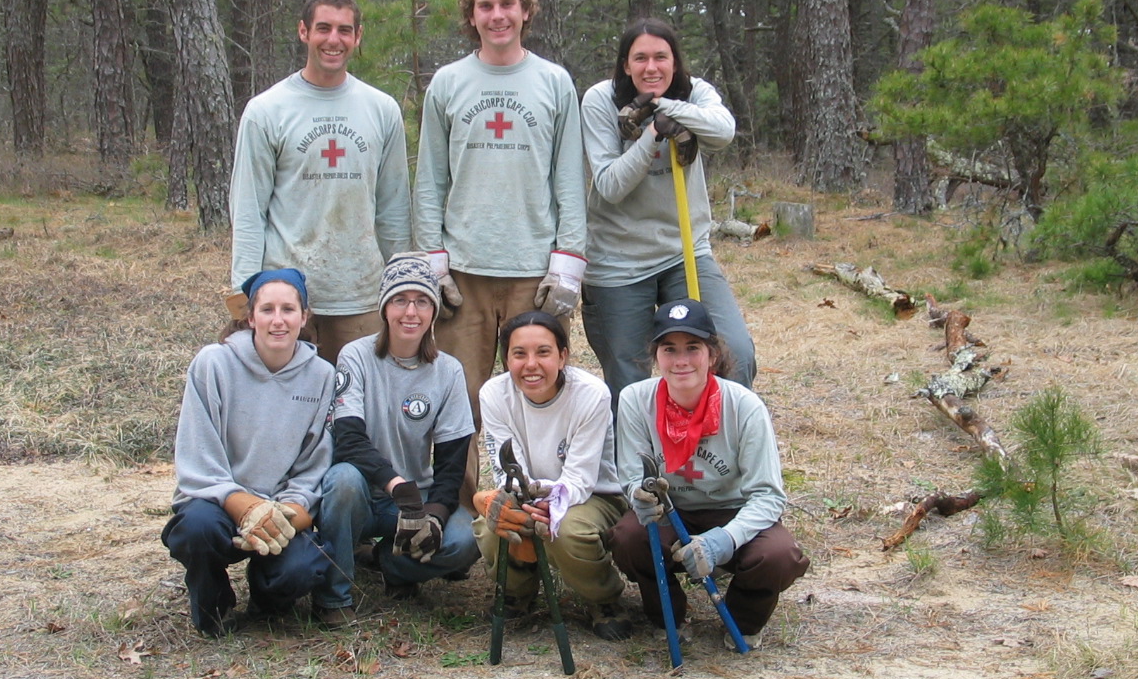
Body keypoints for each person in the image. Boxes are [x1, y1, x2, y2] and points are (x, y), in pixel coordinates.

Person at [414, 0, 587, 429]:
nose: (497, 15)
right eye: (485, 5)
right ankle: (462, 500)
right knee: (460, 399)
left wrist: (568, 262)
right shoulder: (448, 84)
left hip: (533, 273)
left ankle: (539, 499)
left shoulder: (554, 83)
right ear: (471, 16)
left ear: (525, 10)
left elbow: (569, 179)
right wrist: (432, 259)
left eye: (507, 3)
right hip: (464, 275)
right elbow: (430, 179)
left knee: (538, 395)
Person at [229, 0, 411, 364]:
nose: (334, 40)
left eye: (345, 30)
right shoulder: (267, 111)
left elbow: (393, 211)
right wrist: (245, 295)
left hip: (360, 293)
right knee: (291, 407)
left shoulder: (382, 110)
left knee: (358, 407)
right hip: (287, 295)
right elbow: (249, 211)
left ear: (358, 37)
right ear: (303, 31)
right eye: (323, 28)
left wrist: (401, 286)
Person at [611, 299, 808, 648]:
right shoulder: (634, 400)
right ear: (655, 356)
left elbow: (768, 495)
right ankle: (668, 616)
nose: (681, 360)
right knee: (628, 537)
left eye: (693, 348)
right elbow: (631, 474)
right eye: (669, 349)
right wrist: (638, 496)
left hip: (731, 508)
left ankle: (742, 620)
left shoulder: (744, 407)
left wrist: (725, 540)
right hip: (670, 509)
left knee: (778, 554)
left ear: (712, 355)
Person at [581, 18, 755, 406]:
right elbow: (610, 185)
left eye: (661, 56)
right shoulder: (600, 100)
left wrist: (667, 107)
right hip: (618, 261)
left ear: (675, 61)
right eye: (640, 58)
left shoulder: (693, 93)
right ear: (625, 65)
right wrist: (653, 134)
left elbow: (724, 131)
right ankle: (640, 461)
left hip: (685, 252)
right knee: (629, 383)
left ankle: (722, 450)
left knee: (735, 355)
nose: (651, 67)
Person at [161, 269, 336, 637]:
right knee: (196, 529)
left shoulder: (321, 375)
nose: (278, 320)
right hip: (217, 505)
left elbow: (313, 464)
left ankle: (266, 599)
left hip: (277, 508)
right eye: (267, 309)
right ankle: (214, 603)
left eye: (288, 309)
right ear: (249, 317)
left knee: (304, 567)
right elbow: (197, 458)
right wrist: (243, 505)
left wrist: (284, 514)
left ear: (304, 317)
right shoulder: (214, 363)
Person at [314, 254, 480, 625]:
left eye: (422, 301)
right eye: (400, 300)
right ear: (384, 307)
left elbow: (452, 459)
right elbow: (349, 439)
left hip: (413, 501)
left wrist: (434, 514)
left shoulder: (448, 371)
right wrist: (393, 483)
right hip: (362, 493)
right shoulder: (355, 357)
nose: (411, 312)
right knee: (340, 480)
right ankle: (334, 595)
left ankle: (393, 565)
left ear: (434, 311)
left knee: (465, 540)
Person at [472, 310, 633, 641]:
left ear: (562, 356)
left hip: (591, 496)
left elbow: (580, 477)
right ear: (506, 359)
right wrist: (523, 501)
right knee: (493, 525)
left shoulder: (591, 393)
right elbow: (507, 467)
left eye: (543, 352)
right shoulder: (493, 394)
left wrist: (549, 503)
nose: (531, 364)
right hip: (526, 493)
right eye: (519, 354)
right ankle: (517, 591)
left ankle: (602, 599)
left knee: (568, 530)